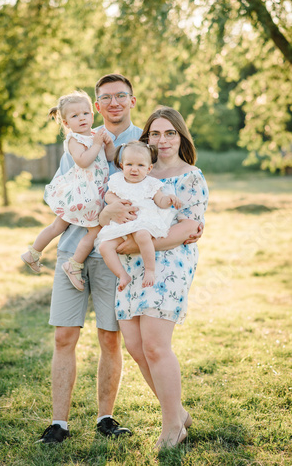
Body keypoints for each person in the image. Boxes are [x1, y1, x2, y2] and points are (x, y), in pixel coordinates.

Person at [35, 74, 204, 444]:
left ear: (131, 100)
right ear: (97, 105)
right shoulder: (82, 138)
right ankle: (59, 423)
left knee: (113, 339)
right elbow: (66, 193)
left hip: (121, 256)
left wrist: (184, 226)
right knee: (64, 336)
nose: (113, 103)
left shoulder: (145, 141)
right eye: (106, 98)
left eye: (121, 96)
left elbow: (163, 190)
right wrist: (96, 215)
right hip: (75, 247)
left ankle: (106, 418)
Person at [99, 106, 208, 449]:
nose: (163, 140)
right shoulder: (133, 175)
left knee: (156, 346)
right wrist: (110, 218)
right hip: (128, 269)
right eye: (155, 134)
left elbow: (189, 227)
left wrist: (132, 245)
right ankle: (178, 412)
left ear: (181, 136)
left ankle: (172, 426)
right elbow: (105, 215)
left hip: (168, 265)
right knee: (134, 345)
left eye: (170, 133)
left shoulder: (190, 176)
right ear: (146, 140)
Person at [21, 91, 114, 291]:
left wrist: (108, 143)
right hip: (84, 193)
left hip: (89, 192)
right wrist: (97, 143)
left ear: (92, 114)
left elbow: (110, 156)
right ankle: (73, 265)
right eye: (74, 116)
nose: (82, 118)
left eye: (85, 113)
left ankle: (33, 252)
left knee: (58, 226)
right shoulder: (74, 140)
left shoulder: (95, 135)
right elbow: (83, 160)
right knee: (94, 230)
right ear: (65, 123)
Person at [96, 141, 182, 291]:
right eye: (129, 164)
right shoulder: (117, 181)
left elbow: (160, 201)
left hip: (142, 221)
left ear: (149, 168)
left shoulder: (151, 184)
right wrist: (117, 202)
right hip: (122, 224)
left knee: (142, 236)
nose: (134, 169)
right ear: (122, 165)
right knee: (104, 246)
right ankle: (122, 275)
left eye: (140, 166)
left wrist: (169, 200)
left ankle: (150, 270)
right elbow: (108, 195)